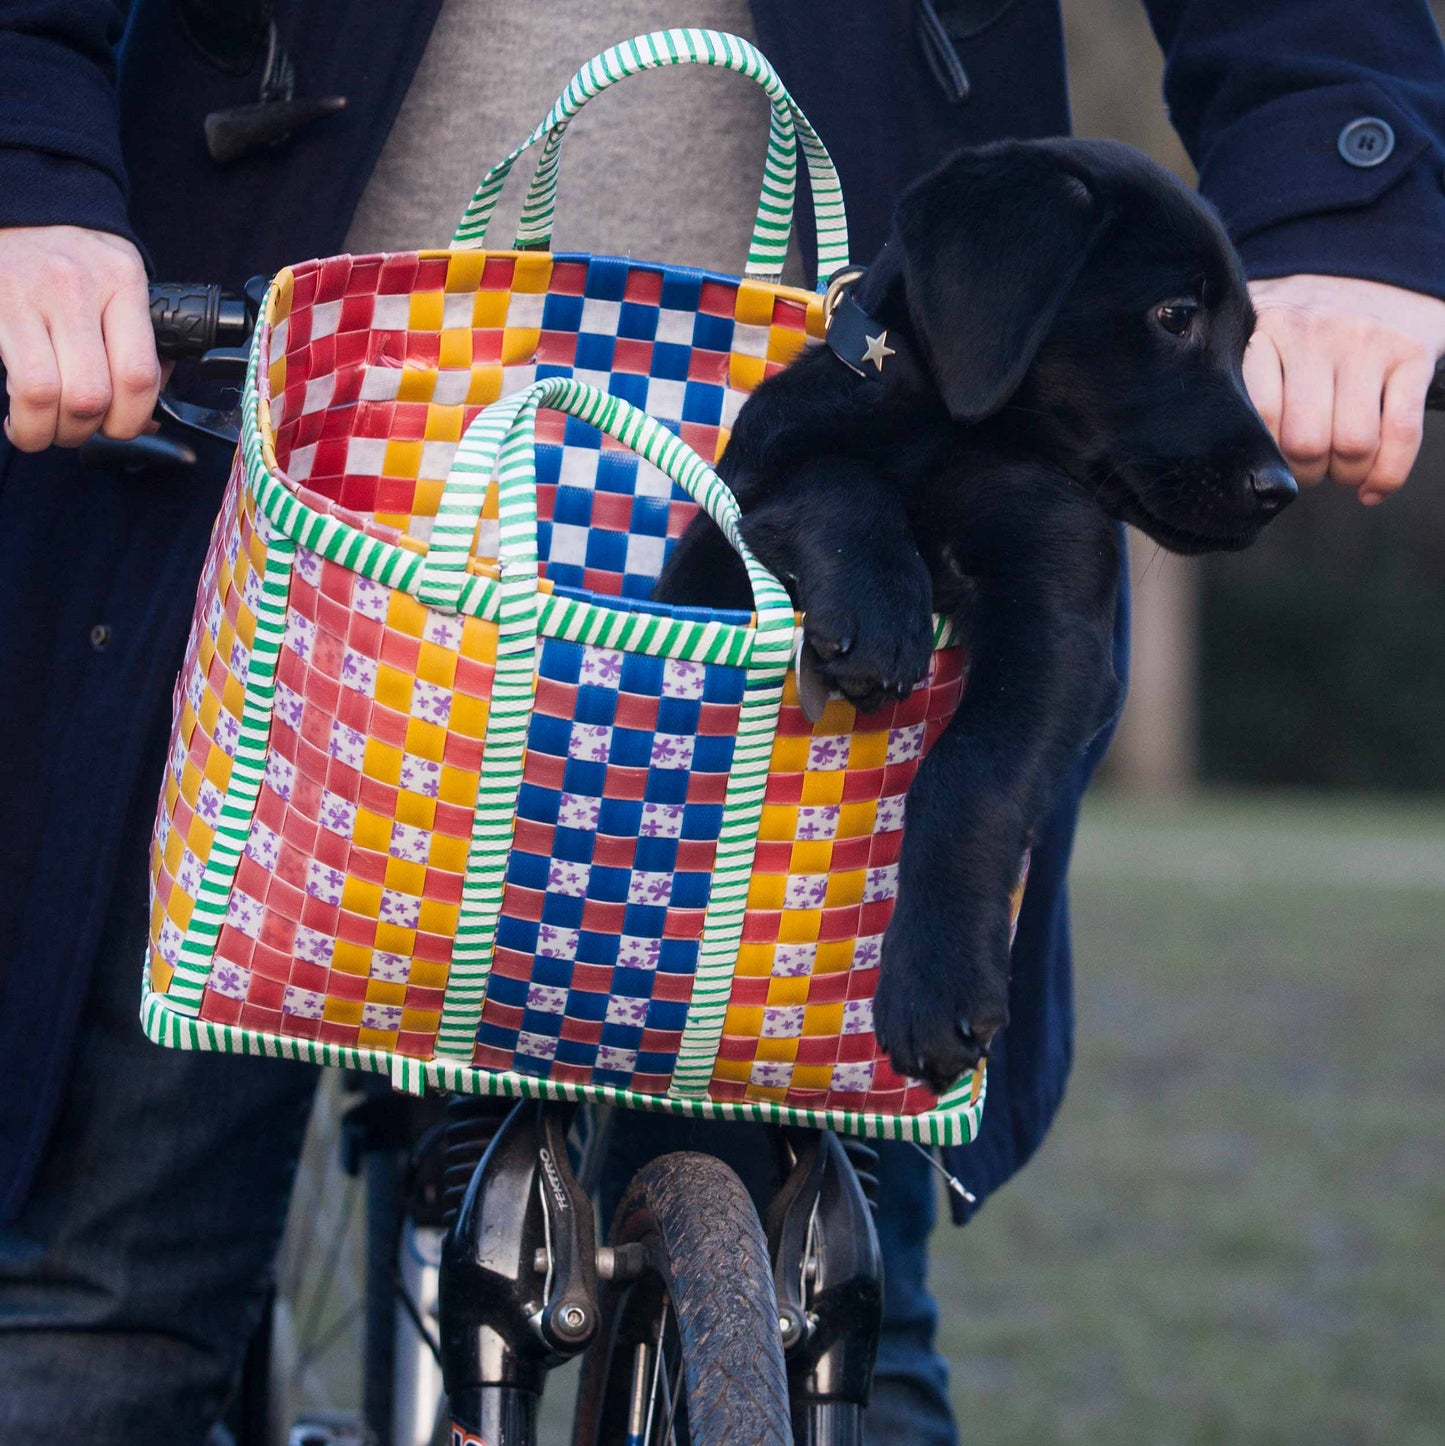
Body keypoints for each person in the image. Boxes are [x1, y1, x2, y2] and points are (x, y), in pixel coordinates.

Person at [1, 2, 1443, 1443]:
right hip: (271, 407)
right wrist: (29, 165)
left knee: (831, 1334)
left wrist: (1341, 198)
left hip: (890, 404)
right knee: (109, 1301)